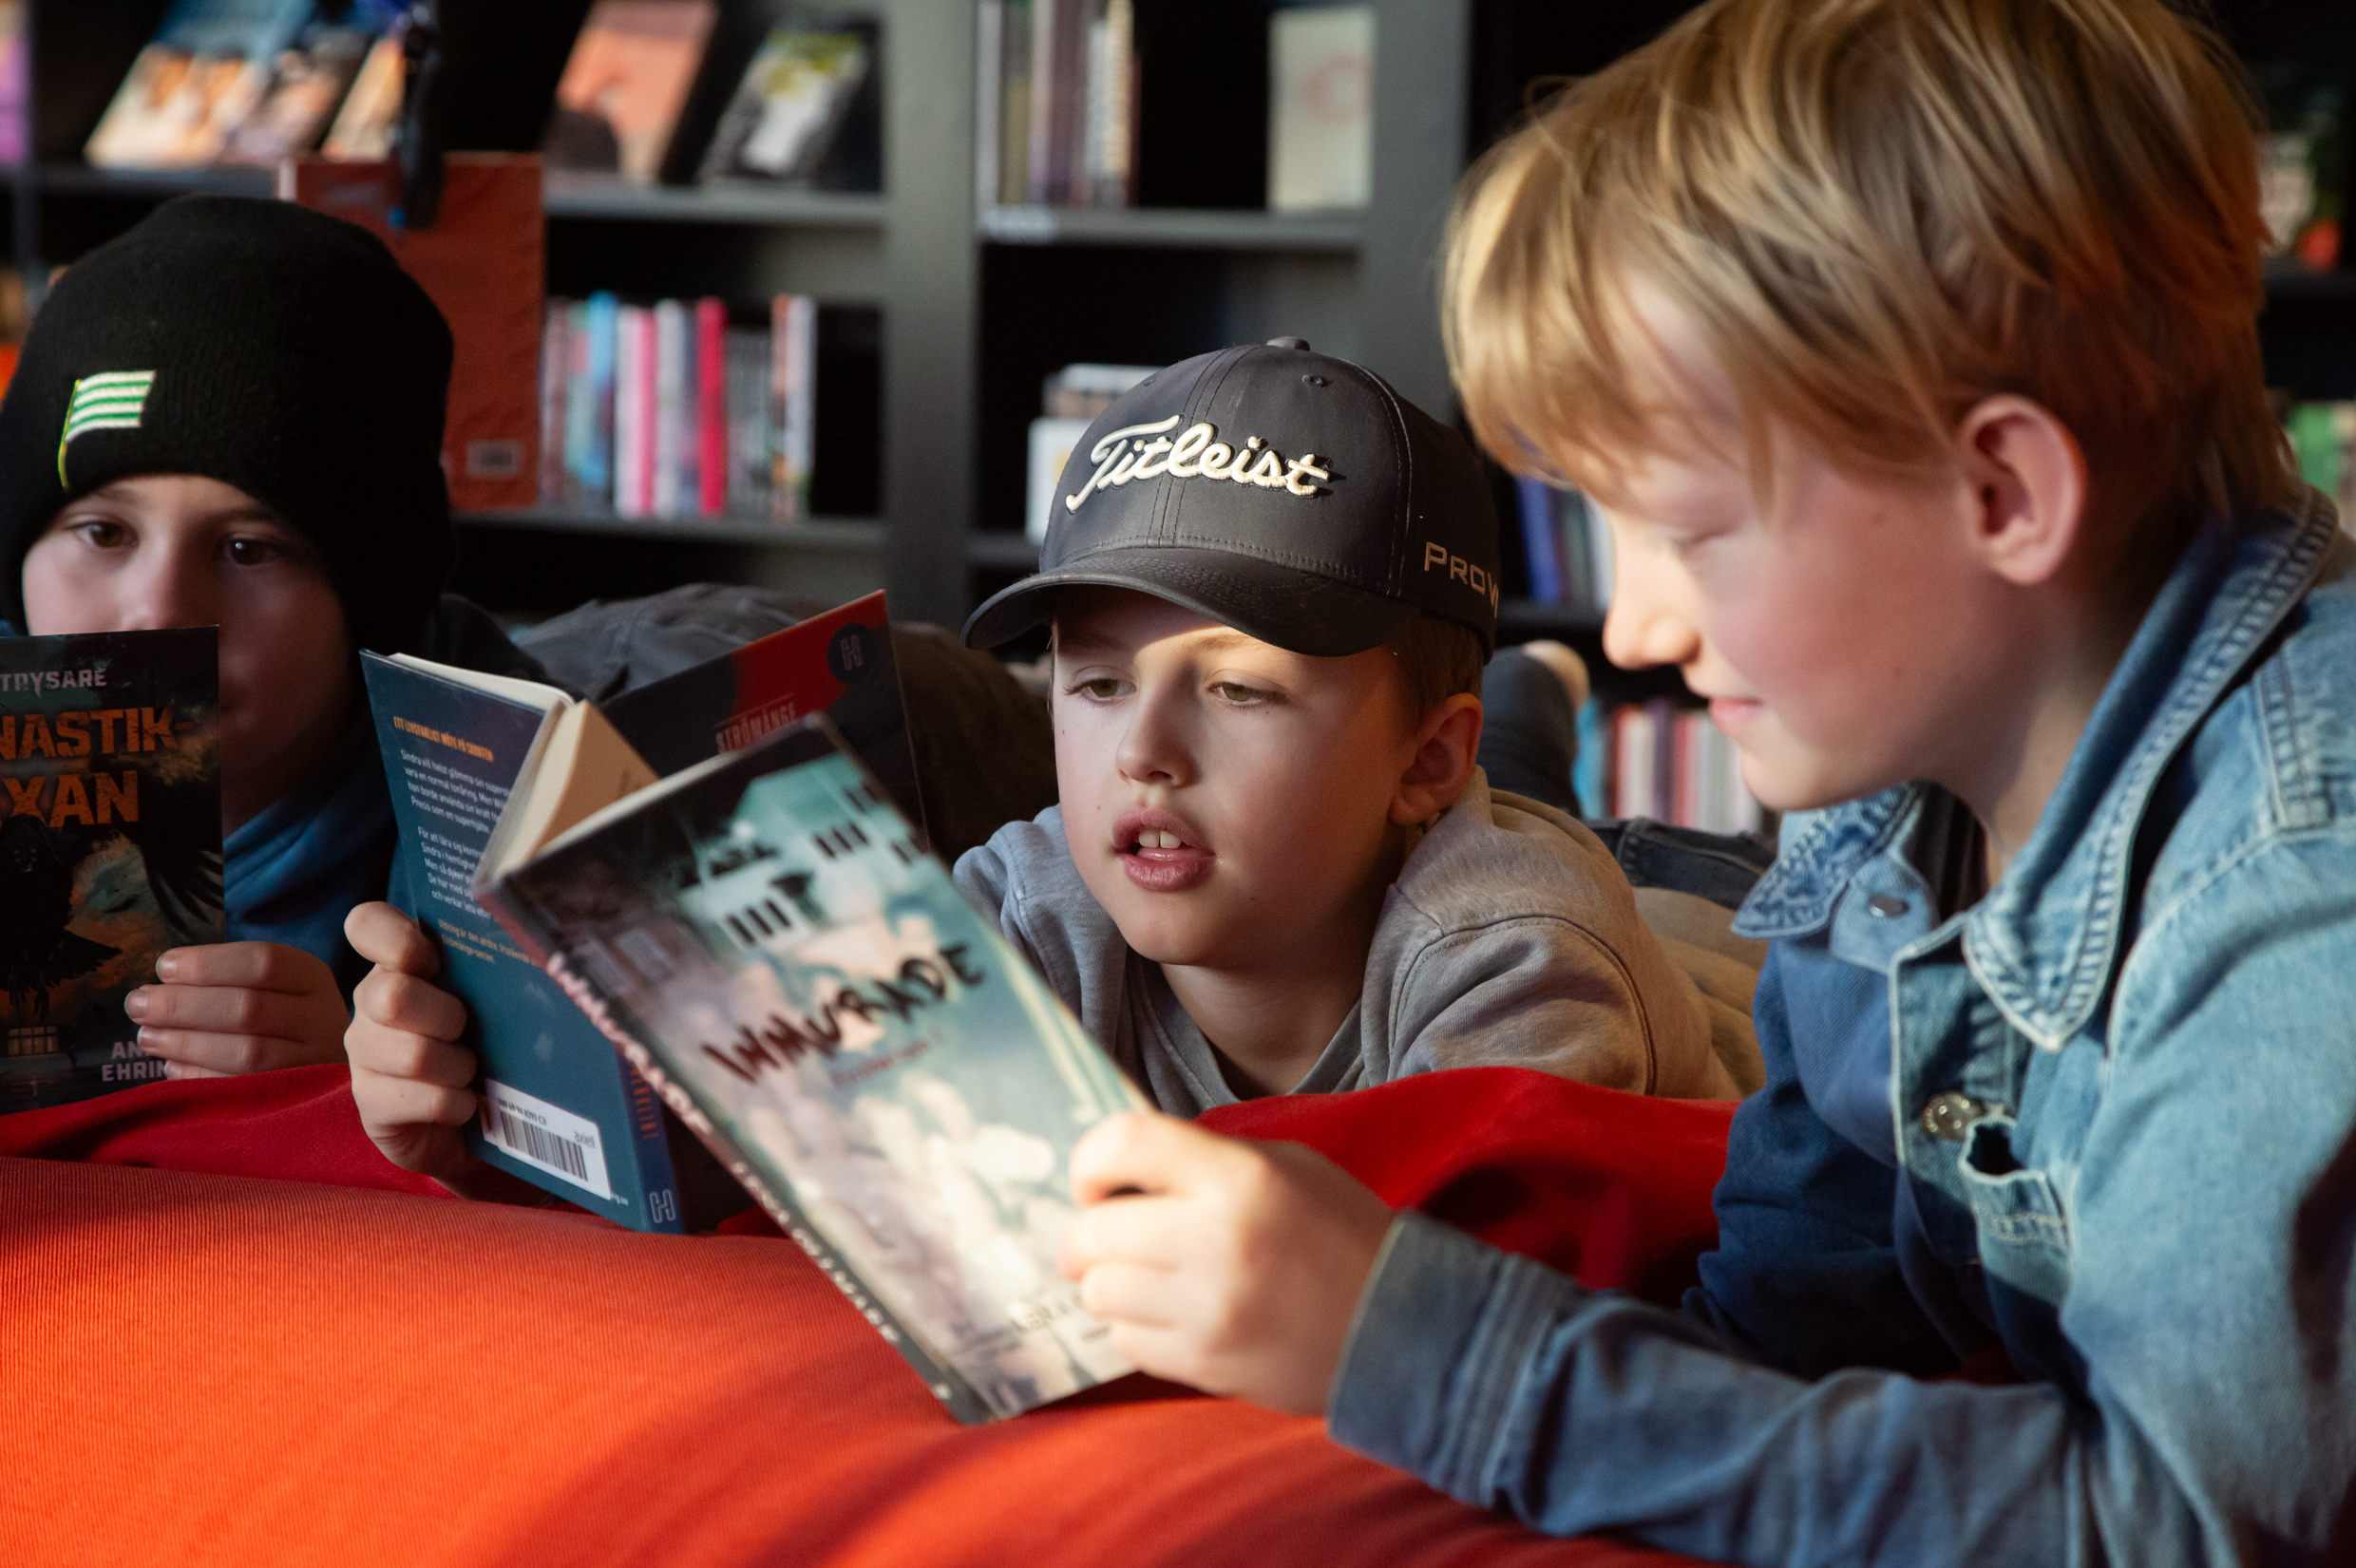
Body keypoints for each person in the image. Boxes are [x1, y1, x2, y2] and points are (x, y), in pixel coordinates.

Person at [1054, 0, 2356, 1561]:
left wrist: (1427, 1349)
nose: (1640, 624)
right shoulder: (1894, 780)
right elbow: (1782, 1335)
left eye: (1694, 533)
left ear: (2002, 489)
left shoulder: (2298, 884)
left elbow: (2179, 1529)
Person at [948, 338, 1738, 1114]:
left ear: (1429, 757)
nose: (1142, 751)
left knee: (1512, 826)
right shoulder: (1027, 912)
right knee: (1490, 781)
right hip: (1406, 839)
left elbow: (1405, 1247)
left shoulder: (1517, 970)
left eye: (1238, 689)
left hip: (1694, 900)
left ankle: (1524, 694)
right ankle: (1525, 691)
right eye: (1102, 682)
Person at [0, 194, 545, 1081]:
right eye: (103, 533)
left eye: (247, 548)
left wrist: (346, 1097)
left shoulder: (495, 818)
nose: (159, 610)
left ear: (371, 604)